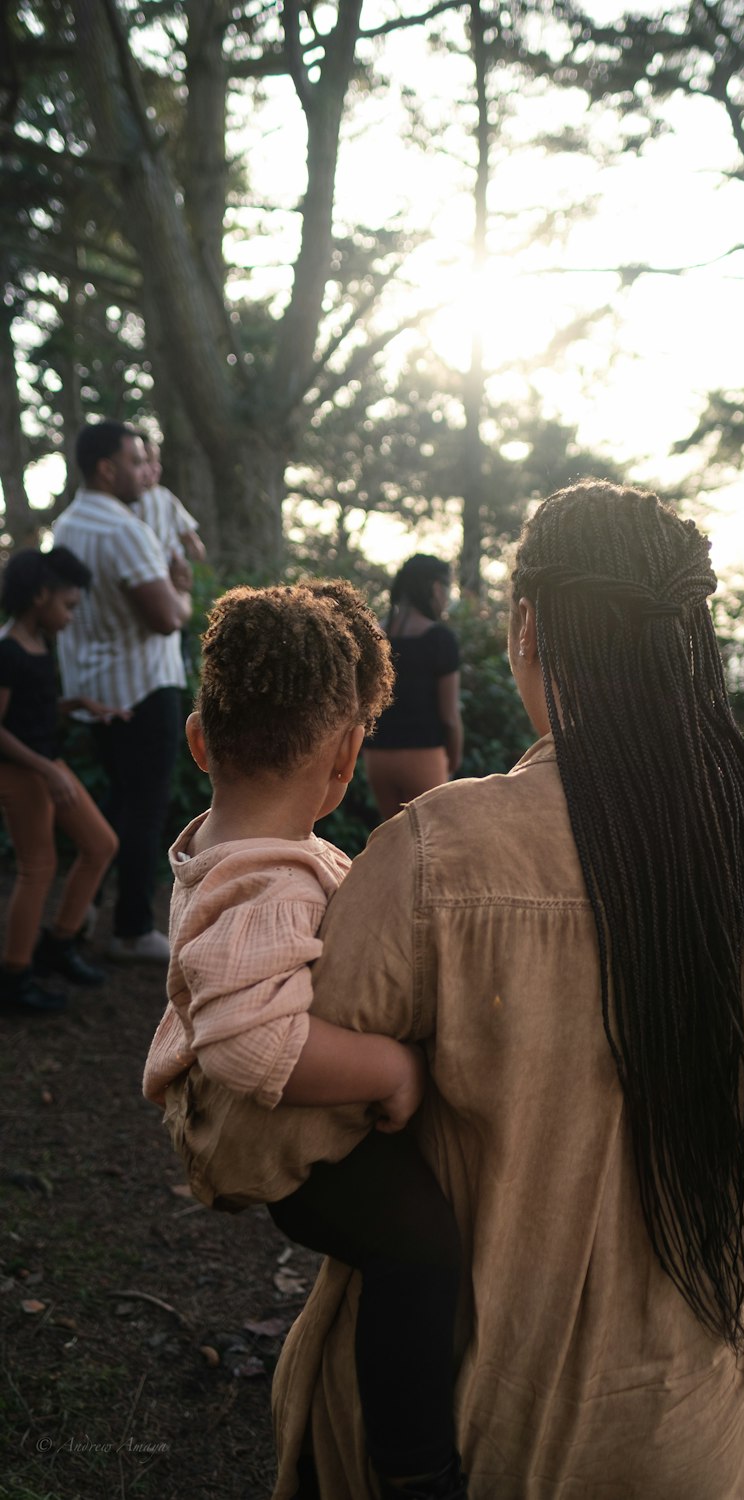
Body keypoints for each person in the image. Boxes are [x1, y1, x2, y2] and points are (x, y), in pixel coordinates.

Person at [247, 480, 744, 1499]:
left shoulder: (438, 852)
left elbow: (258, 1133)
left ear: (527, 625)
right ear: (686, 637)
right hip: (697, 1443)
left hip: (468, 1442)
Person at [142, 582, 468, 1500]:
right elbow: (252, 1043)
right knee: (421, 1252)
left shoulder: (229, 848)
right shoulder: (269, 882)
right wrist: (392, 1066)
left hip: (281, 1139)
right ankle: (414, 1466)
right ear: (347, 755)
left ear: (200, 739)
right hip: (302, 1166)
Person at [53, 420, 192, 963]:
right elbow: (163, 618)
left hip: (91, 687)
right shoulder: (123, 530)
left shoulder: (67, 526)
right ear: (106, 469)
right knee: (145, 808)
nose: (147, 472)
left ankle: (82, 903)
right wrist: (181, 593)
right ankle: (133, 927)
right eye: (137, 462)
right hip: (142, 686)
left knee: (114, 799)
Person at [0, 548, 120, 1013]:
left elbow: (30, 713)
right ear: (40, 596)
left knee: (101, 844)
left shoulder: (36, 642)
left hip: (45, 763)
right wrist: (45, 769)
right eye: (68, 606)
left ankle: (58, 944)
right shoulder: (8, 649)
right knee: (38, 867)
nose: (71, 616)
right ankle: (14, 974)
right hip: (21, 771)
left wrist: (78, 705)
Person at [363, 555, 462, 821]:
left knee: (396, 843)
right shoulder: (440, 639)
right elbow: (450, 715)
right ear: (435, 587)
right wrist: (453, 759)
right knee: (433, 846)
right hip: (424, 755)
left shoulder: (375, 636)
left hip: (377, 758)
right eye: (448, 588)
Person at [135, 437, 207, 565]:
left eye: (157, 461)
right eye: (147, 461)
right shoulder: (129, 498)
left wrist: (194, 542)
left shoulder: (164, 496)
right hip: (142, 563)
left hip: (169, 563)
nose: (155, 467)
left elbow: (184, 527)